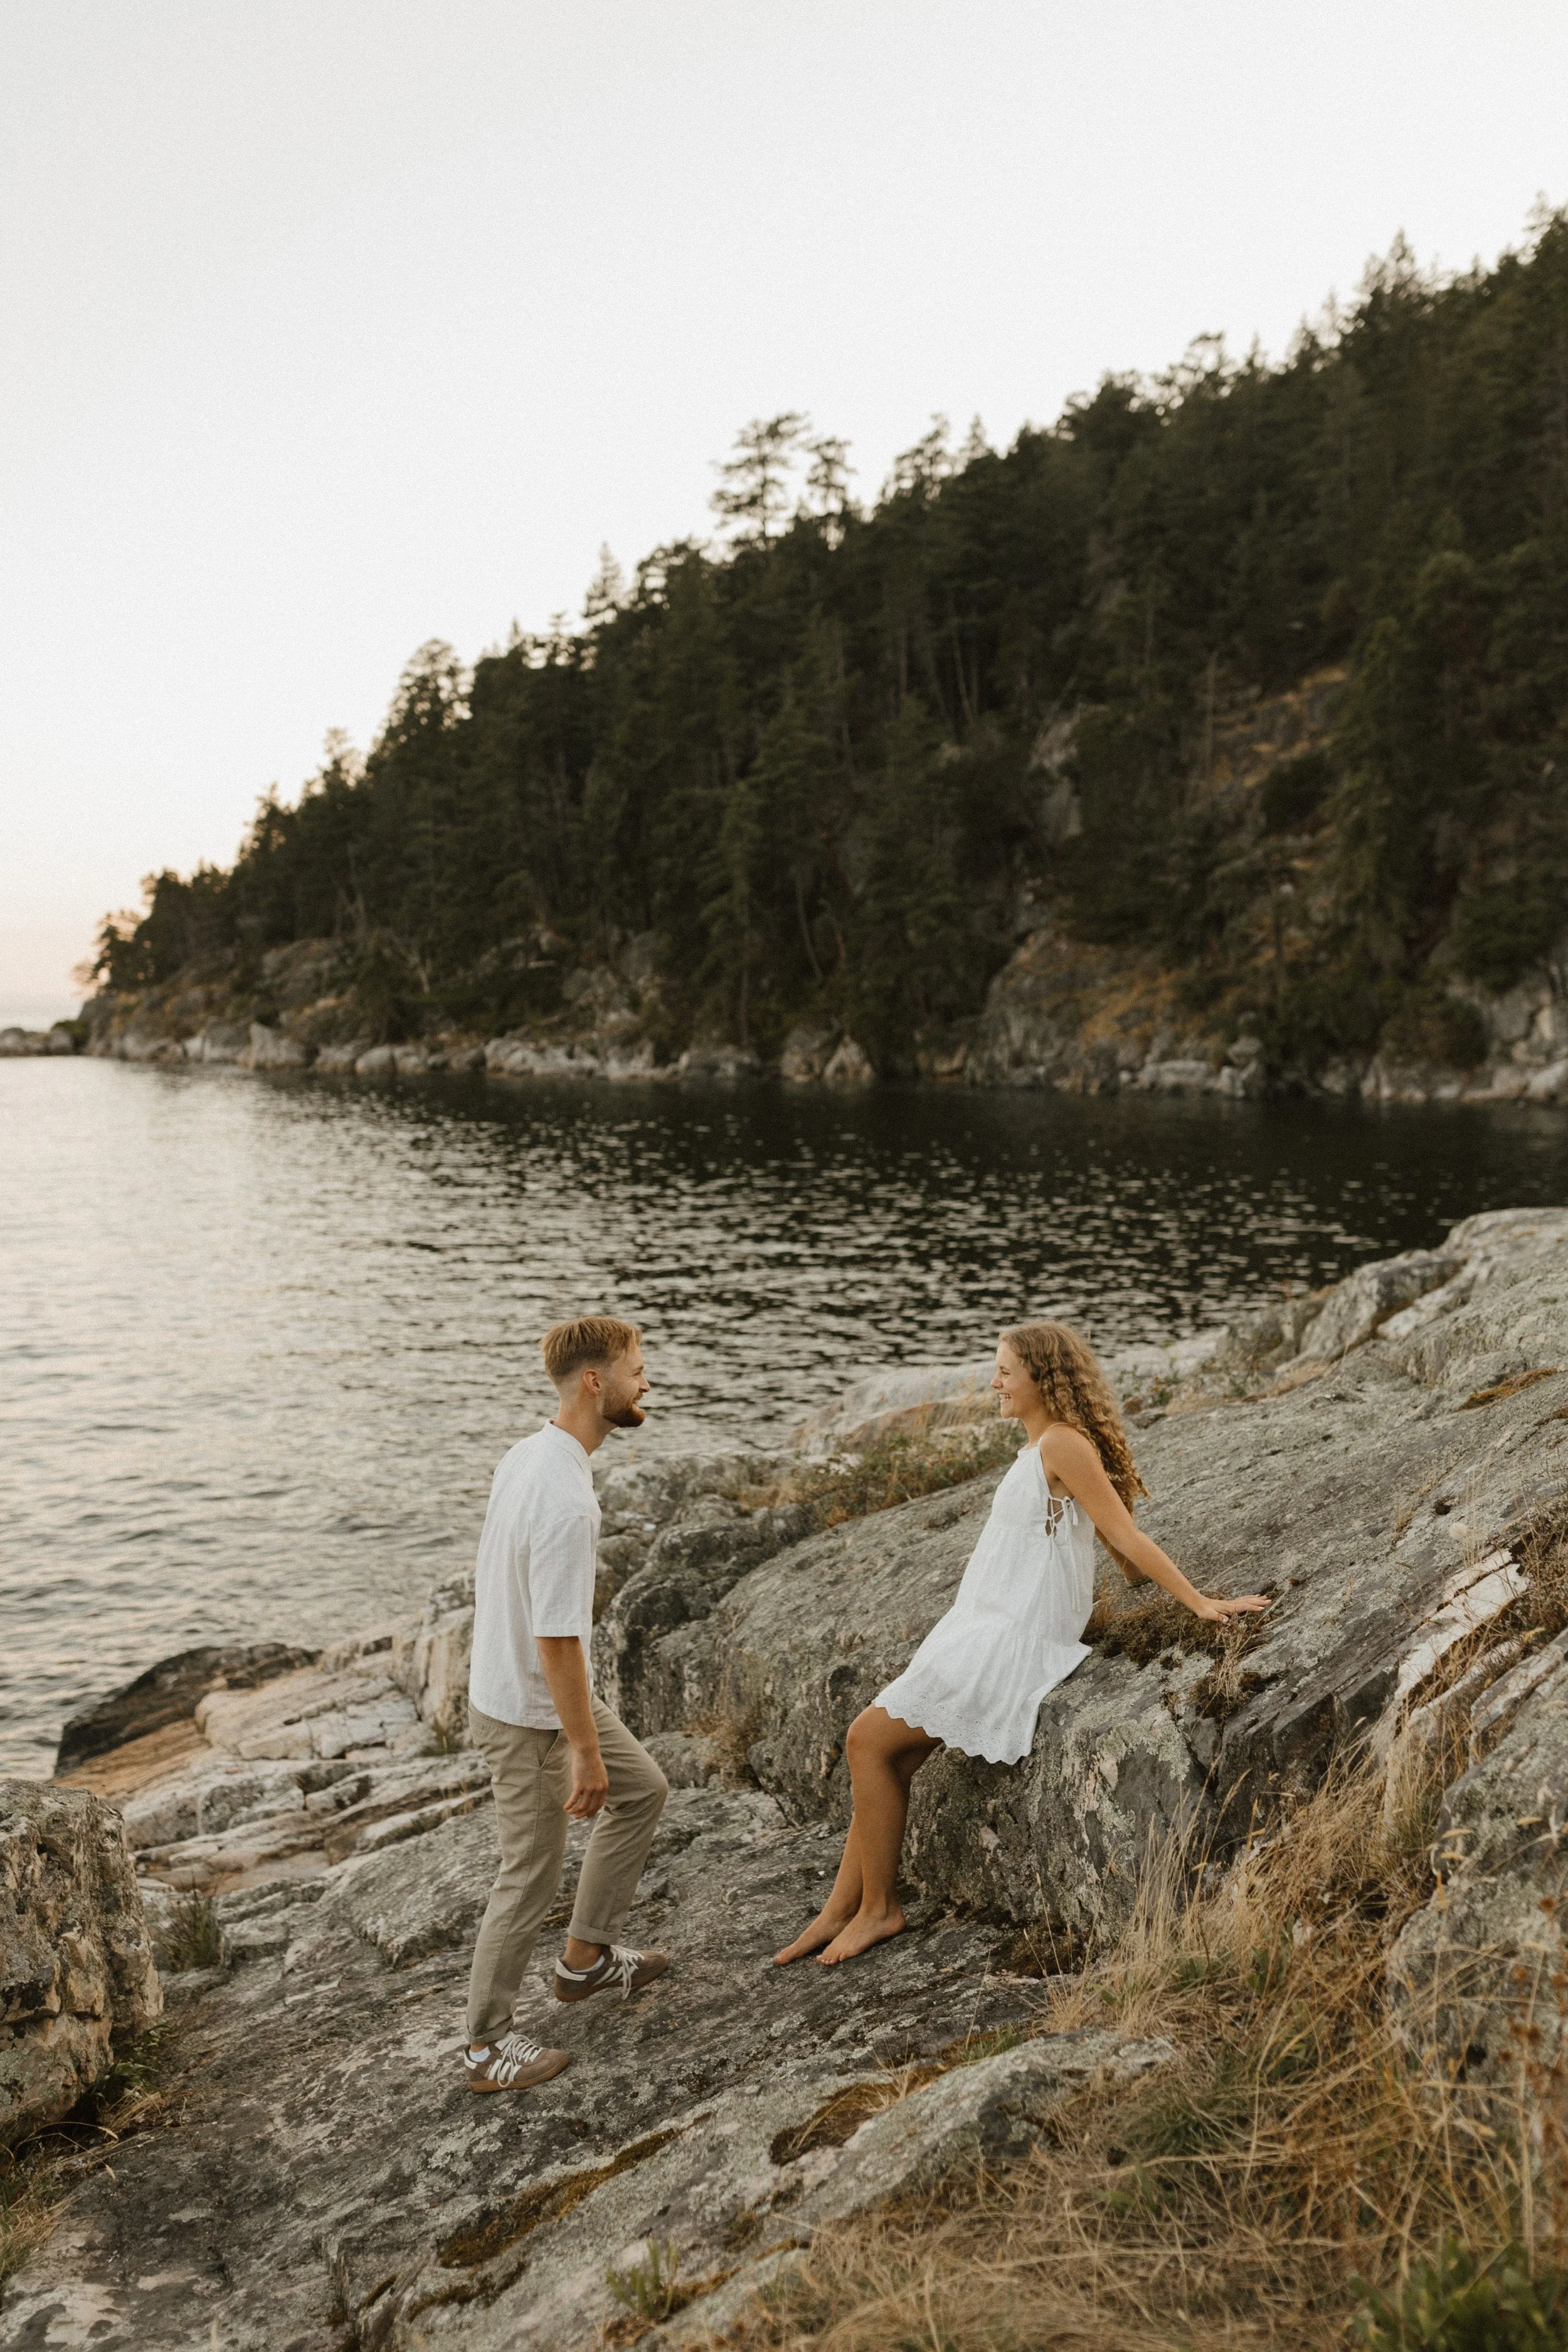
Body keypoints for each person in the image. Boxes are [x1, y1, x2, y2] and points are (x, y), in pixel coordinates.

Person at [773, 1320, 1270, 1969]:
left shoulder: (1063, 1445)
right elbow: (1104, 1541)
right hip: (981, 1619)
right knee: (889, 1757)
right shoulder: (1040, 1445)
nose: (995, 1381)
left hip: (1017, 1630)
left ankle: (878, 1909)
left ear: (1042, 1378)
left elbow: (1124, 1536)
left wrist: (1201, 1603)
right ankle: (844, 1906)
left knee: (866, 1740)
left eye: (1005, 1369)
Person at [463, 1315, 671, 2093]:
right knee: (529, 1874)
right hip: (525, 1709)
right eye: (637, 1368)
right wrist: (581, 1749)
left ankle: (583, 1961)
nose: (646, 1380)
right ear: (597, 1381)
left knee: (644, 1789)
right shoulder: (564, 1500)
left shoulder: (533, 1454)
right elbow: (557, 1639)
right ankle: (485, 2047)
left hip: (533, 1690)